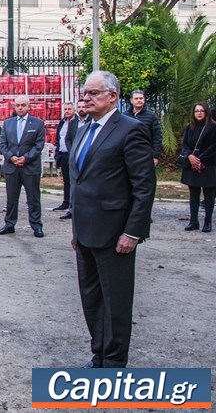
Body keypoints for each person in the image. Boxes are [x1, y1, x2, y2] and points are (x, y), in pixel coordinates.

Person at [70, 70, 155, 369]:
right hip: (85, 232)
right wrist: (75, 227)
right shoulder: (83, 128)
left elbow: (144, 187)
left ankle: (115, 363)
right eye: (85, 92)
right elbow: (79, 182)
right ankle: (99, 356)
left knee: (115, 303)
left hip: (115, 234)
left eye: (93, 93)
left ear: (113, 96)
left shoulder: (130, 129)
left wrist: (132, 232)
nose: (86, 97)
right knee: (91, 300)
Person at [0, 95, 46, 237]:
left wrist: (26, 158)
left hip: (29, 167)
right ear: (14, 106)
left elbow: (39, 145)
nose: (20, 107)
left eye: (23, 105)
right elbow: (3, 144)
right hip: (12, 166)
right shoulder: (8, 123)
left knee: (33, 198)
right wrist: (11, 157)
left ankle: (36, 225)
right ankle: (9, 224)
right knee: (11, 198)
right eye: (17, 105)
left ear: (28, 106)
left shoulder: (37, 123)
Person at [179, 103, 216, 232]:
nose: (199, 113)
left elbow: (213, 147)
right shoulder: (190, 127)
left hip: (208, 164)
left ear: (206, 112)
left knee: (208, 195)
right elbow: (184, 144)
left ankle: (207, 222)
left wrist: (199, 159)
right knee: (193, 194)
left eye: (201, 111)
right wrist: (190, 156)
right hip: (191, 164)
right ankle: (193, 221)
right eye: (196, 111)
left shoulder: (213, 127)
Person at [125, 89, 164, 166]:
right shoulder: (124, 116)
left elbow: (157, 137)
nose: (139, 100)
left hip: (146, 155)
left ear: (144, 100)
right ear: (131, 100)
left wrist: (155, 156)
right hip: (128, 155)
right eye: (136, 98)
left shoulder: (151, 116)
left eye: (141, 98)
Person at [53, 102, 79, 213]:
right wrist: (56, 155)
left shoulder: (77, 123)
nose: (67, 111)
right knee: (66, 180)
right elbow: (58, 139)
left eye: (69, 109)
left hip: (72, 154)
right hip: (62, 154)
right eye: (65, 109)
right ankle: (66, 202)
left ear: (74, 110)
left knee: (74, 180)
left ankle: (74, 204)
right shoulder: (62, 123)